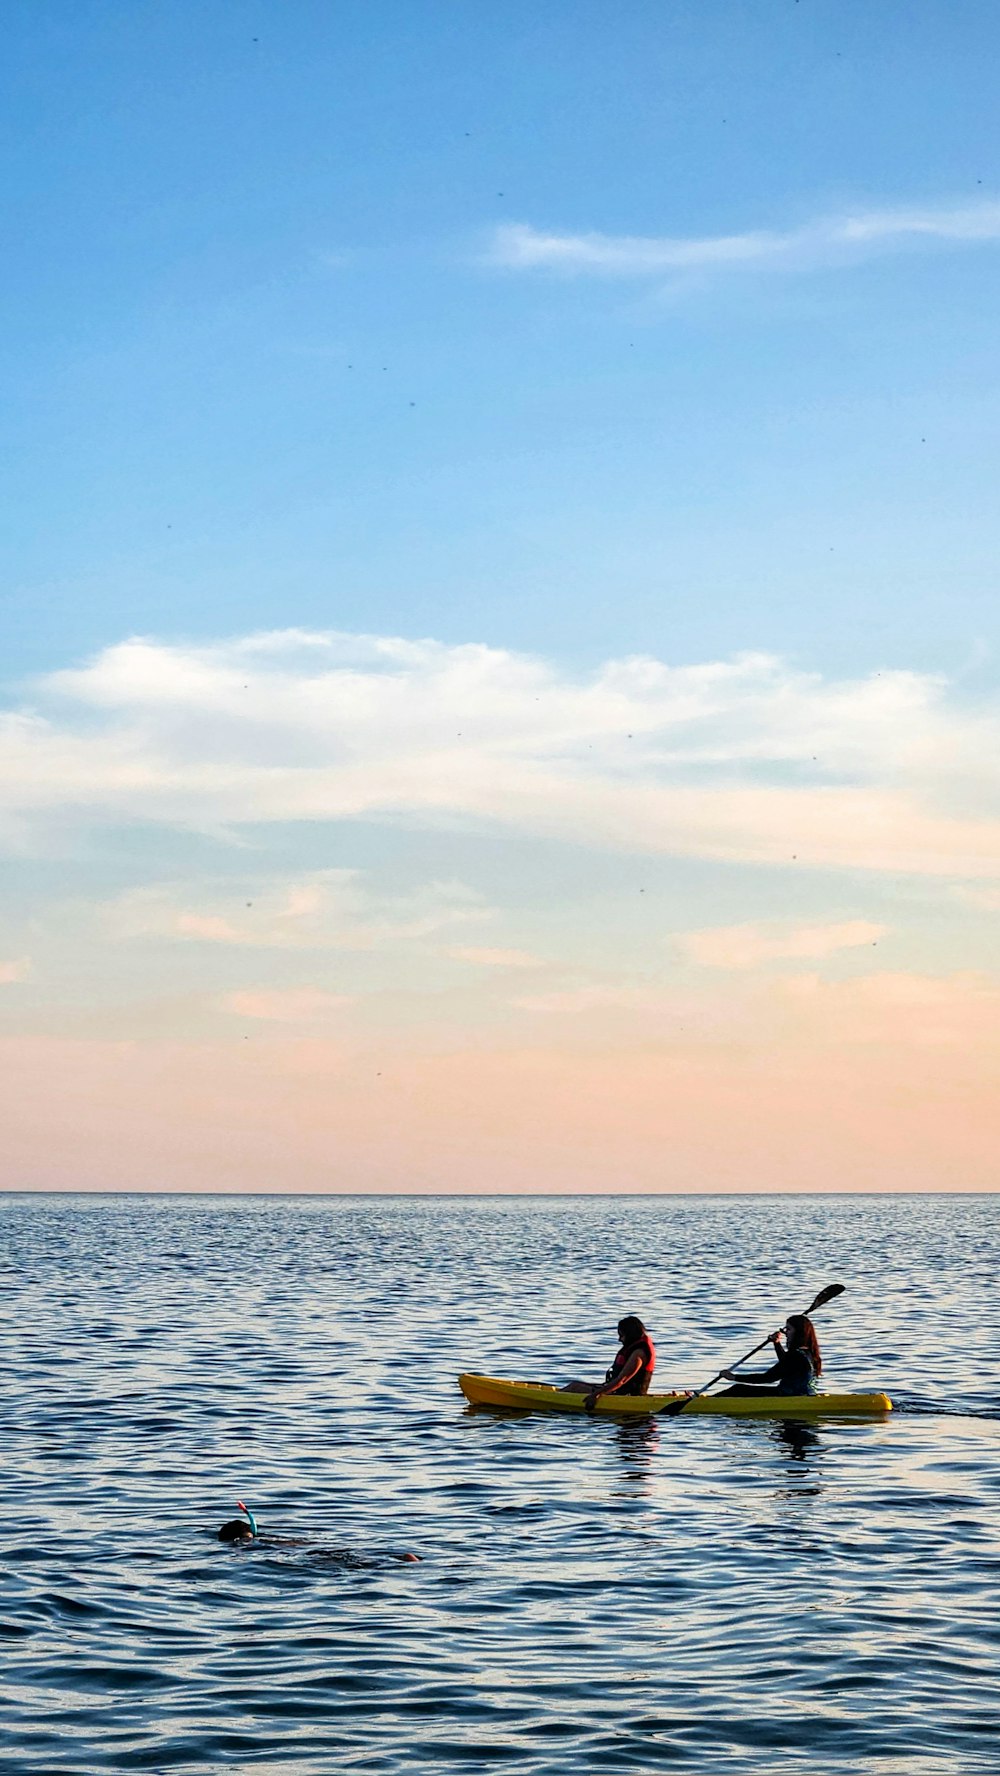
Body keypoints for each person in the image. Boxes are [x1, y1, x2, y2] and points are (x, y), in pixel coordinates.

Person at [218, 1501, 420, 1561]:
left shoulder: (249, 1546)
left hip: (303, 1555)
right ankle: (399, 1559)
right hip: (310, 1548)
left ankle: (399, 1560)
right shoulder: (271, 1539)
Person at [562, 1316, 656, 1411]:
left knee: (575, 1387)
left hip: (625, 1396)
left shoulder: (639, 1354)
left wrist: (596, 1395)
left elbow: (622, 1380)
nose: (619, 1339)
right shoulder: (637, 1348)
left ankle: (555, 1398)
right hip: (619, 1392)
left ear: (630, 1334)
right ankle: (558, 1394)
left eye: (622, 1335)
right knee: (574, 1384)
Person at [719, 1313, 822, 1397]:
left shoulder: (795, 1356)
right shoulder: (809, 1353)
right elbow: (786, 1364)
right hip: (808, 1395)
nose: (786, 1333)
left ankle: (706, 1404)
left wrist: (734, 1377)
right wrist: (777, 1343)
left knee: (738, 1389)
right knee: (739, 1388)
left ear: (799, 1333)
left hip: (789, 1396)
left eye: (788, 1329)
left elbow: (768, 1378)